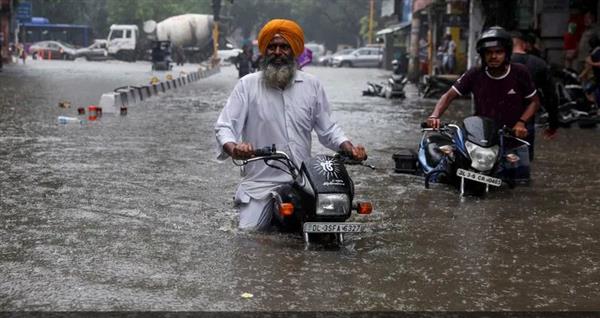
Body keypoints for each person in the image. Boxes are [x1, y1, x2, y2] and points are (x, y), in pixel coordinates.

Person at [215, 19, 367, 230]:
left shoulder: (312, 85)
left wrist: (349, 147)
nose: (278, 52)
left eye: (284, 46)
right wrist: (235, 148)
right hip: (260, 185)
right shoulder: (247, 85)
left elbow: (328, 128)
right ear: (265, 50)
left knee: (333, 224)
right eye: (272, 46)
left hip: (305, 182)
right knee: (249, 236)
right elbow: (224, 126)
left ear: (294, 50)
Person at [427, 26, 540, 181]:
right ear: (483, 54)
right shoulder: (475, 73)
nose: (493, 56)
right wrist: (435, 115)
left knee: (520, 186)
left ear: (506, 53)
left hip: (512, 140)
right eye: (489, 52)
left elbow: (534, 102)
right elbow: (448, 96)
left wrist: (521, 123)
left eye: (498, 52)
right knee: (459, 178)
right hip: (481, 141)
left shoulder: (520, 72)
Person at [511, 31, 559, 144]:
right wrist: (553, 124)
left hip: (499, 120)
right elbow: (551, 96)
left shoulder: (495, 64)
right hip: (527, 120)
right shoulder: (539, 63)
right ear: (524, 45)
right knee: (524, 157)